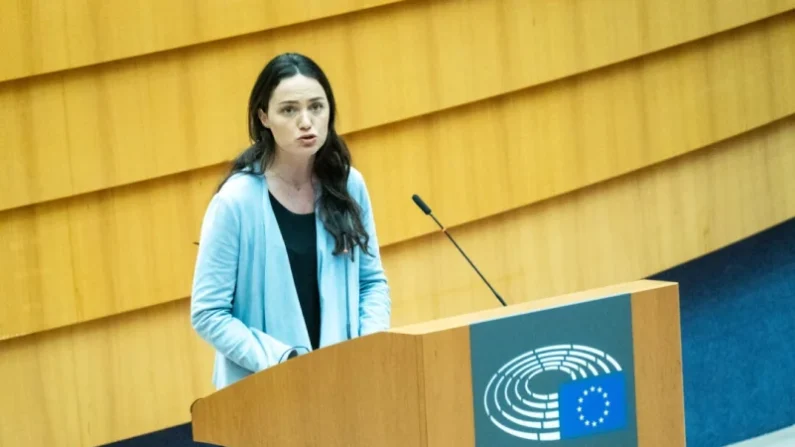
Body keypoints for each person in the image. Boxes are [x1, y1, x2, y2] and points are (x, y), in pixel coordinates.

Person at [190, 53, 391, 390]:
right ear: (263, 117)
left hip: (342, 384)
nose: (306, 121)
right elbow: (208, 313)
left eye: (316, 107)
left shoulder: (348, 184)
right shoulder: (235, 202)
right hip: (265, 388)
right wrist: (284, 362)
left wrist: (368, 349)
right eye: (289, 110)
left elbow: (371, 283)